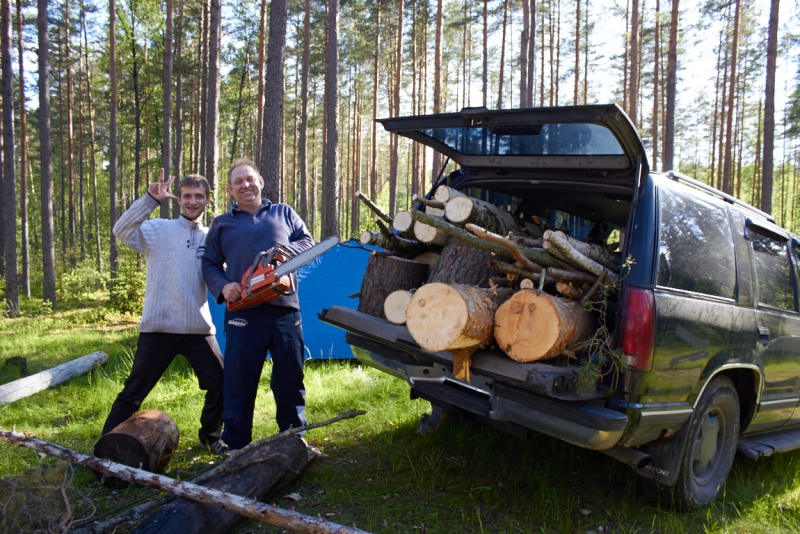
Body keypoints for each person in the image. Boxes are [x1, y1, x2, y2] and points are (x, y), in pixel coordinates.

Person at [103, 172, 226, 454]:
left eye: (198, 196)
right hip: (158, 329)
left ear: (208, 199)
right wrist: (149, 200)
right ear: (179, 199)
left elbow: (222, 276)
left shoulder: (212, 238)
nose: (192, 201)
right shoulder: (158, 231)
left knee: (221, 384)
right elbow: (121, 230)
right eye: (186, 196)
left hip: (197, 330)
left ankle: (210, 437)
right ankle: (107, 444)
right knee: (133, 394)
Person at [202, 158, 314, 451]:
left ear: (261, 182)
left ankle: (293, 438)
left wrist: (281, 253)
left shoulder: (284, 213)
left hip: (285, 308)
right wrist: (225, 286)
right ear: (230, 189)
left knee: (290, 376)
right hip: (244, 313)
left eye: (249, 179)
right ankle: (236, 442)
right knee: (239, 378)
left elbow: (308, 243)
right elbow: (210, 264)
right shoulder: (221, 223)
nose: (245, 185)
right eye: (238, 181)